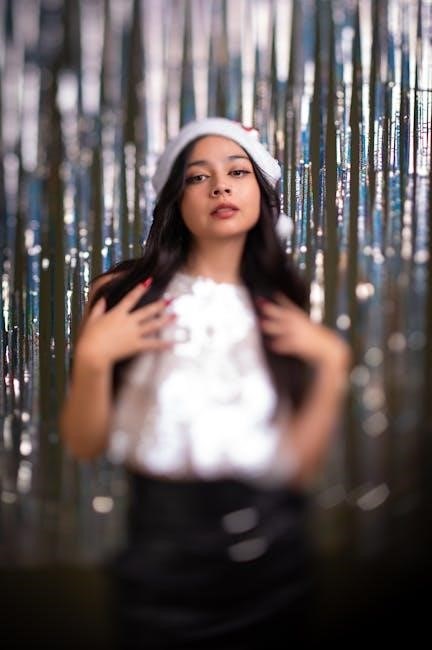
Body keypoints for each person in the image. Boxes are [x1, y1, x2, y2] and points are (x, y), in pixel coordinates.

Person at [59, 117, 352, 649]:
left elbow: (298, 467)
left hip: (275, 565)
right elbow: (85, 443)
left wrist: (333, 363)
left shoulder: (282, 302)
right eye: (198, 177)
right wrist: (94, 359)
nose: (220, 187)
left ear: (260, 192)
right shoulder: (124, 294)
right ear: (176, 199)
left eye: (237, 172)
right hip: (162, 567)